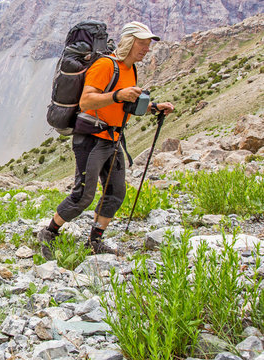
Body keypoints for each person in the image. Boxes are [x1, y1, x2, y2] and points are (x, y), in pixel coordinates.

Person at [38, 21, 175, 258]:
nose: (146, 49)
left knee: (115, 192)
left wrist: (153, 107)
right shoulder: (105, 65)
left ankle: (94, 241)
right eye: (141, 43)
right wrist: (117, 95)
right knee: (83, 195)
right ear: (129, 42)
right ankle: (49, 233)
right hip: (91, 138)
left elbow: (125, 104)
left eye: (147, 44)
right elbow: (87, 101)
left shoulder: (130, 69)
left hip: (112, 139)